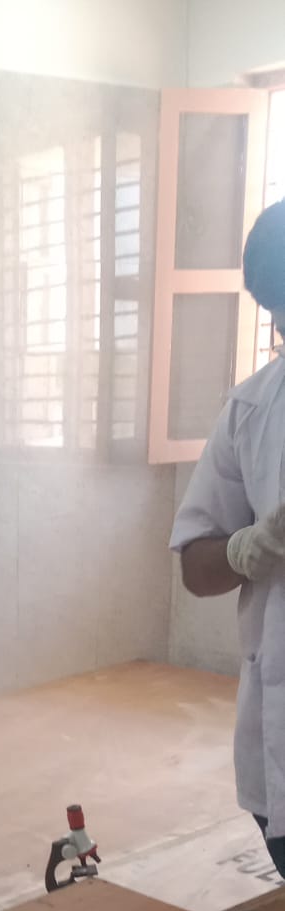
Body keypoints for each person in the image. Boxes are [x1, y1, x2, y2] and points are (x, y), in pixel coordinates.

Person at [171, 199, 285, 876]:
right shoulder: (252, 408)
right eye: (278, 312)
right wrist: (253, 546)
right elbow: (196, 565)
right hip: (276, 740)